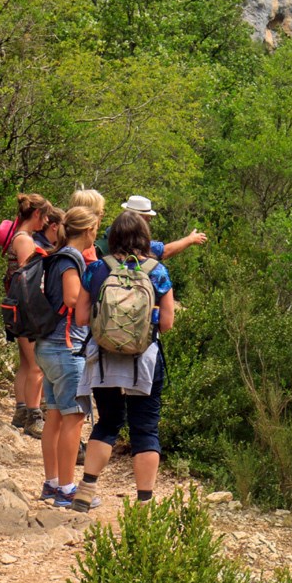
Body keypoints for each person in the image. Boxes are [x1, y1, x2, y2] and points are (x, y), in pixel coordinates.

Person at [72, 211, 178, 510]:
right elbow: (167, 323)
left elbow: (80, 317)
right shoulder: (157, 271)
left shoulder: (95, 269)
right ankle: (144, 503)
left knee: (108, 422)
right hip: (143, 359)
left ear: (113, 237)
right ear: (145, 238)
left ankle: (86, 488)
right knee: (145, 429)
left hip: (103, 360)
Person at [37, 207, 98, 508]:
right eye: (96, 228)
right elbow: (73, 299)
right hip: (66, 347)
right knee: (73, 418)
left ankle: (52, 483)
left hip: (48, 346)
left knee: (55, 417)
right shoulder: (71, 259)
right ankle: (66, 488)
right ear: (88, 230)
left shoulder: (55, 255)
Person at [0, 194, 51, 440]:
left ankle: (20, 411)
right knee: (36, 365)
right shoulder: (25, 241)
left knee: (26, 364)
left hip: (15, 310)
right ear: (37, 214)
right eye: (45, 216)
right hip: (26, 312)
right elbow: (29, 281)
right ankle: (33, 416)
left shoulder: (17, 237)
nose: (47, 221)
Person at [97, 194, 207, 260]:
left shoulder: (110, 231)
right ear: (141, 218)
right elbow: (164, 251)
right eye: (148, 218)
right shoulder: (137, 242)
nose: (149, 221)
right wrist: (190, 240)